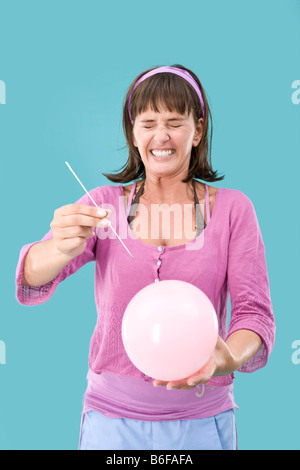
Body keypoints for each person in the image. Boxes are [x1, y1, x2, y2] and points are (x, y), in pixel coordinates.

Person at [16, 64, 276, 451]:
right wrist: (58, 248)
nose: (161, 136)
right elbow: (32, 276)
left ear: (198, 130)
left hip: (203, 422)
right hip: (110, 422)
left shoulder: (234, 210)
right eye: (148, 122)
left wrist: (227, 358)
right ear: (133, 132)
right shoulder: (104, 206)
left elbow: (255, 314)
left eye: (174, 121)